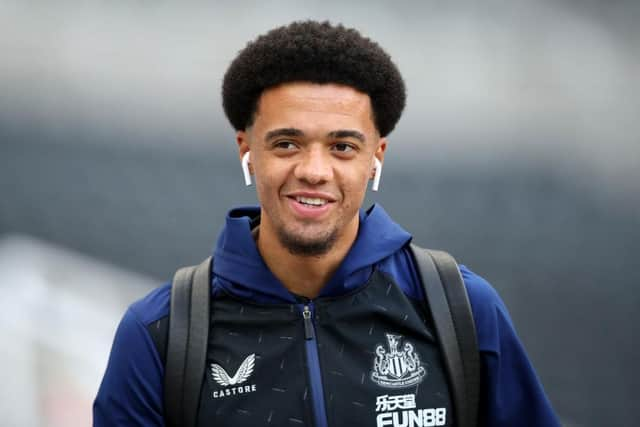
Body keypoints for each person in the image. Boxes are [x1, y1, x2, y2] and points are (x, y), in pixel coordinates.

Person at [93, 20, 560, 427]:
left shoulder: (461, 310)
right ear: (246, 150)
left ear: (376, 157)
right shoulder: (161, 334)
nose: (315, 171)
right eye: (287, 144)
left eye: (342, 147)